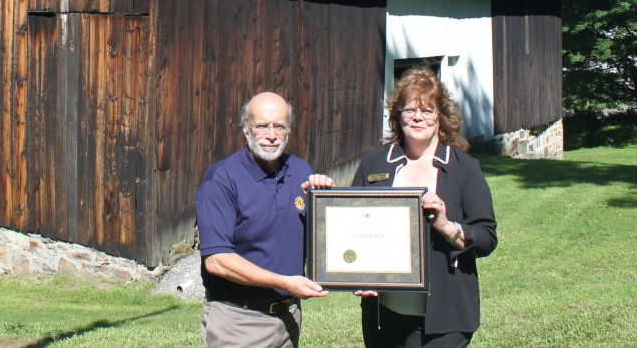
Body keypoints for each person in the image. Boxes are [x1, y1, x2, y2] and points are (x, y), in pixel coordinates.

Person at [351, 67, 497, 348]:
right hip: (384, 316)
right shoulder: (374, 164)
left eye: (428, 111)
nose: (418, 117)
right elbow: (355, 224)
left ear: (441, 118)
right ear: (397, 116)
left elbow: (487, 237)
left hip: (446, 318)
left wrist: (445, 225)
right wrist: (359, 273)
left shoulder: (463, 168)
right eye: (409, 110)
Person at [196, 91, 333, 348]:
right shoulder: (222, 179)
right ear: (246, 130)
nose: (271, 135)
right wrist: (284, 282)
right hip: (238, 321)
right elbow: (217, 261)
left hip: (289, 317)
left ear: (289, 130)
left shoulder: (301, 171)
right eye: (262, 126)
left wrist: (326, 201)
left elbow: (321, 239)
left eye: (279, 127)